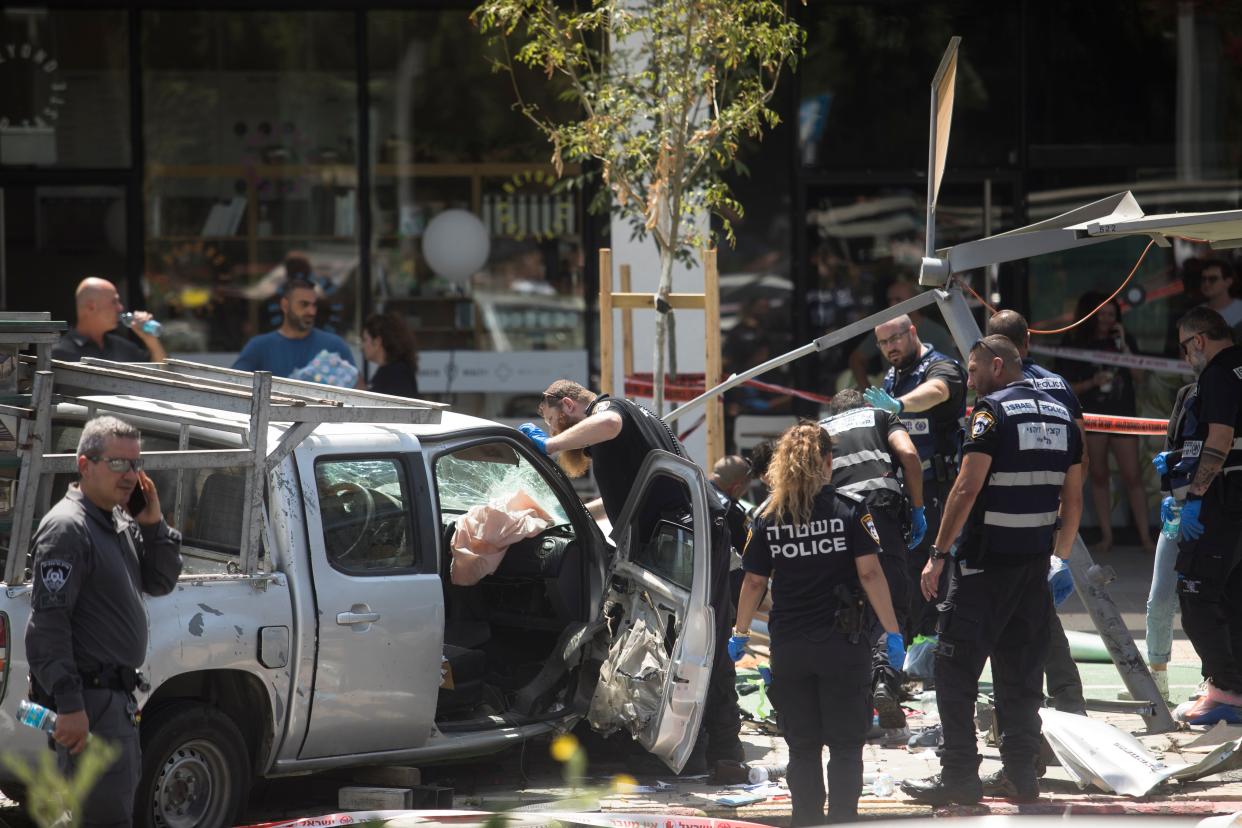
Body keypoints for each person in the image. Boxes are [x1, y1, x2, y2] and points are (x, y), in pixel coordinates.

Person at [519, 381, 744, 767]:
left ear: (569, 406)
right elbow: (622, 499)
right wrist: (570, 514)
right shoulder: (628, 429)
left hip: (688, 535)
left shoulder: (613, 412)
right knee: (688, 644)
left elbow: (607, 424)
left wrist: (550, 447)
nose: (557, 432)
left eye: (554, 422)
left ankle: (723, 755)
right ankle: (704, 747)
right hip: (684, 534)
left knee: (700, 644)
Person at [902, 336, 1083, 806]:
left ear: (997, 366)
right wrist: (1058, 558)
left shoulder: (992, 413)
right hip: (1032, 570)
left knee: (953, 670)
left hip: (984, 568)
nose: (971, 379)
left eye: (975, 369)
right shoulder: (1064, 415)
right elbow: (1075, 497)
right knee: (1022, 675)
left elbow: (965, 489)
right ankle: (1022, 777)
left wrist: (938, 554)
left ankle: (960, 776)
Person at [731, 422, 904, 825]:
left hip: (790, 646)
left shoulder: (767, 516)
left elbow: (754, 580)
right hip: (844, 645)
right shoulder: (850, 508)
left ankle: (805, 820)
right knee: (846, 746)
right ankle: (843, 819)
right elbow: (871, 575)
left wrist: (740, 633)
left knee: (803, 747)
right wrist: (892, 631)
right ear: (828, 461)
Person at [25, 416, 183, 827]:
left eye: (135, 464)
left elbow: (160, 580)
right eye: (118, 464)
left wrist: (153, 524)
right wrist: (70, 704)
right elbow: (48, 625)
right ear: (85, 465)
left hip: (115, 702)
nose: (131, 475)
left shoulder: (117, 521)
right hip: (89, 704)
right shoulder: (67, 528)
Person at [986, 309, 1088, 717]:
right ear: (1027, 341)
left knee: (1024, 608)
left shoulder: (992, 390)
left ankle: (1052, 698)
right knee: (1033, 606)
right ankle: (1055, 697)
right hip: (1050, 509)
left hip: (1008, 518)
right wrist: (1068, 513)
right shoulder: (1059, 384)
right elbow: (1079, 451)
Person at [819, 388, 924, 731]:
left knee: (850, 606)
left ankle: (855, 702)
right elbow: (909, 455)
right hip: (879, 513)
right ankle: (885, 681)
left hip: (836, 519)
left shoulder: (821, 430)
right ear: (863, 406)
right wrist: (919, 509)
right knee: (891, 601)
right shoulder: (880, 416)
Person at [1157, 307, 1242, 721]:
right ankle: (1234, 688)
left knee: (1196, 594)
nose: (1186, 356)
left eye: (1185, 347)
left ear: (1200, 340)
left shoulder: (1218, 374)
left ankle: (1226, 689)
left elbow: (1220, 440)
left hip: (1224, 500)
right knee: (1233, 595)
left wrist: (1193, 496)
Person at [863, 313, 967, 640]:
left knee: (943, 568)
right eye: (883, 343)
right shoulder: (892, 377)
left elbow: (936, 392)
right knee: (910, 571)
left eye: (895, 338)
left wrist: (898, 404)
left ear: (912, 332)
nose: (890, 347)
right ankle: (918, 644)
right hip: (909, 492)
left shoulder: (940, 367)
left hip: (943, 487)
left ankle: (941, 646)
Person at [1059, 293, 1153, 553]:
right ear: (1090, 315)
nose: (1106, 320)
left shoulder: (1125, 340)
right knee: (1098, 475)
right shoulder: (1075, 342)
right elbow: (1065, 387)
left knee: (1133, 475)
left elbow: (1140, 376)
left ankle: (1147, 538)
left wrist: (1124, 347)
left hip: (1124, 417)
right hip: (1093, 417)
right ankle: (1107, 536)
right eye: (1101, 314)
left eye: (1111, 315)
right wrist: (1093, 382)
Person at [1146, 380, 1195, 702]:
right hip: (1180, 509)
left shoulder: (1229, 392)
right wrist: (1170, 493)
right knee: (1160, 599)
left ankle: (1220, 679)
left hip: (1221, 512)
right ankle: (1157, 680)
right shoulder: (1187, 395)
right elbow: (1171, 445)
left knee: (1213, 602)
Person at [232, 275, 355, 379]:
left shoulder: (334, 346)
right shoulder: (259, 346)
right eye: (304, 304)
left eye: (314, 305)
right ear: (285, 305)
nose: (311, 311)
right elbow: (234, 386)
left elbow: (360, 395)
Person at [849, 280, 954, 389]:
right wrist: (868, 393)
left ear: (912, 332)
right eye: (883, 342)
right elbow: (856, 358)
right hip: (891, 394)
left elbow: (951, 370)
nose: (892, 304)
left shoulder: (936, 332)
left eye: (898, 299)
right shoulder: (884, 330)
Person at [52, 277, 167, 364]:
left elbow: (161, 375)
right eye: (114, 302)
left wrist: (151, 340)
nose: (120, 308)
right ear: (91, 307)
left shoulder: (122, 347)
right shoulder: (59, 353)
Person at [710, 454, 753, 611]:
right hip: (719, 595)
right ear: (736, 488)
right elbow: (748, 553)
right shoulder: (732, 512)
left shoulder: (695, 490)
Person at [360, 311, 420, 396]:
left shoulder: (397, 374)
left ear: (377, 342)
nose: (362, 347)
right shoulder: (389, 371)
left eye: (365, 340)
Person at [1197, 259, 1242, 330]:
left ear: (1228, 282)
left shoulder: (1240, 309)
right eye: (1203, 279)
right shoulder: (1197, 312)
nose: (1206, 284)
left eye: (1213, 279)